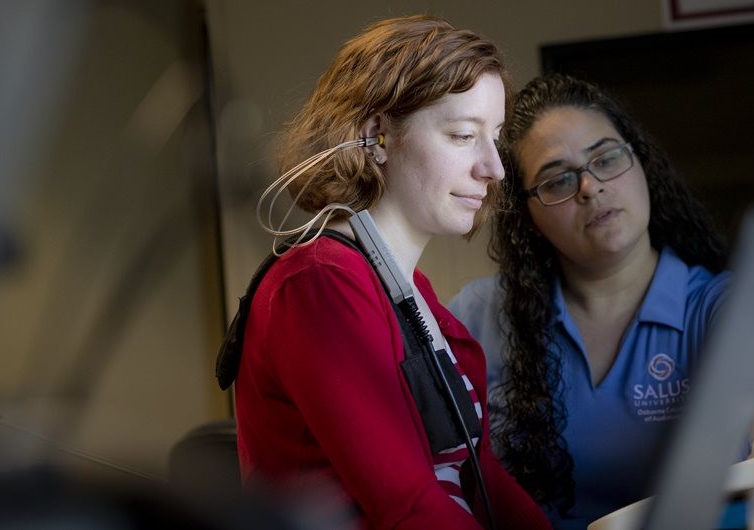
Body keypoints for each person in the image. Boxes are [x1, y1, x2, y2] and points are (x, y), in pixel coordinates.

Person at [447, 73, 754, 529]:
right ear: (527, 218)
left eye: (606, 158)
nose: (590, 187)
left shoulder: (716, 303)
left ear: (641, 163)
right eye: (557, 181)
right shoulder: (480, 314)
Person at [231, 15, 552, 530]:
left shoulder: (411, 292)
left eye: (495, 138)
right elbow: (405, 509)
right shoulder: (318, 283)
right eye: (464, 135)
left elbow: (480, 474)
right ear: (376, 135)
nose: (494, 168)